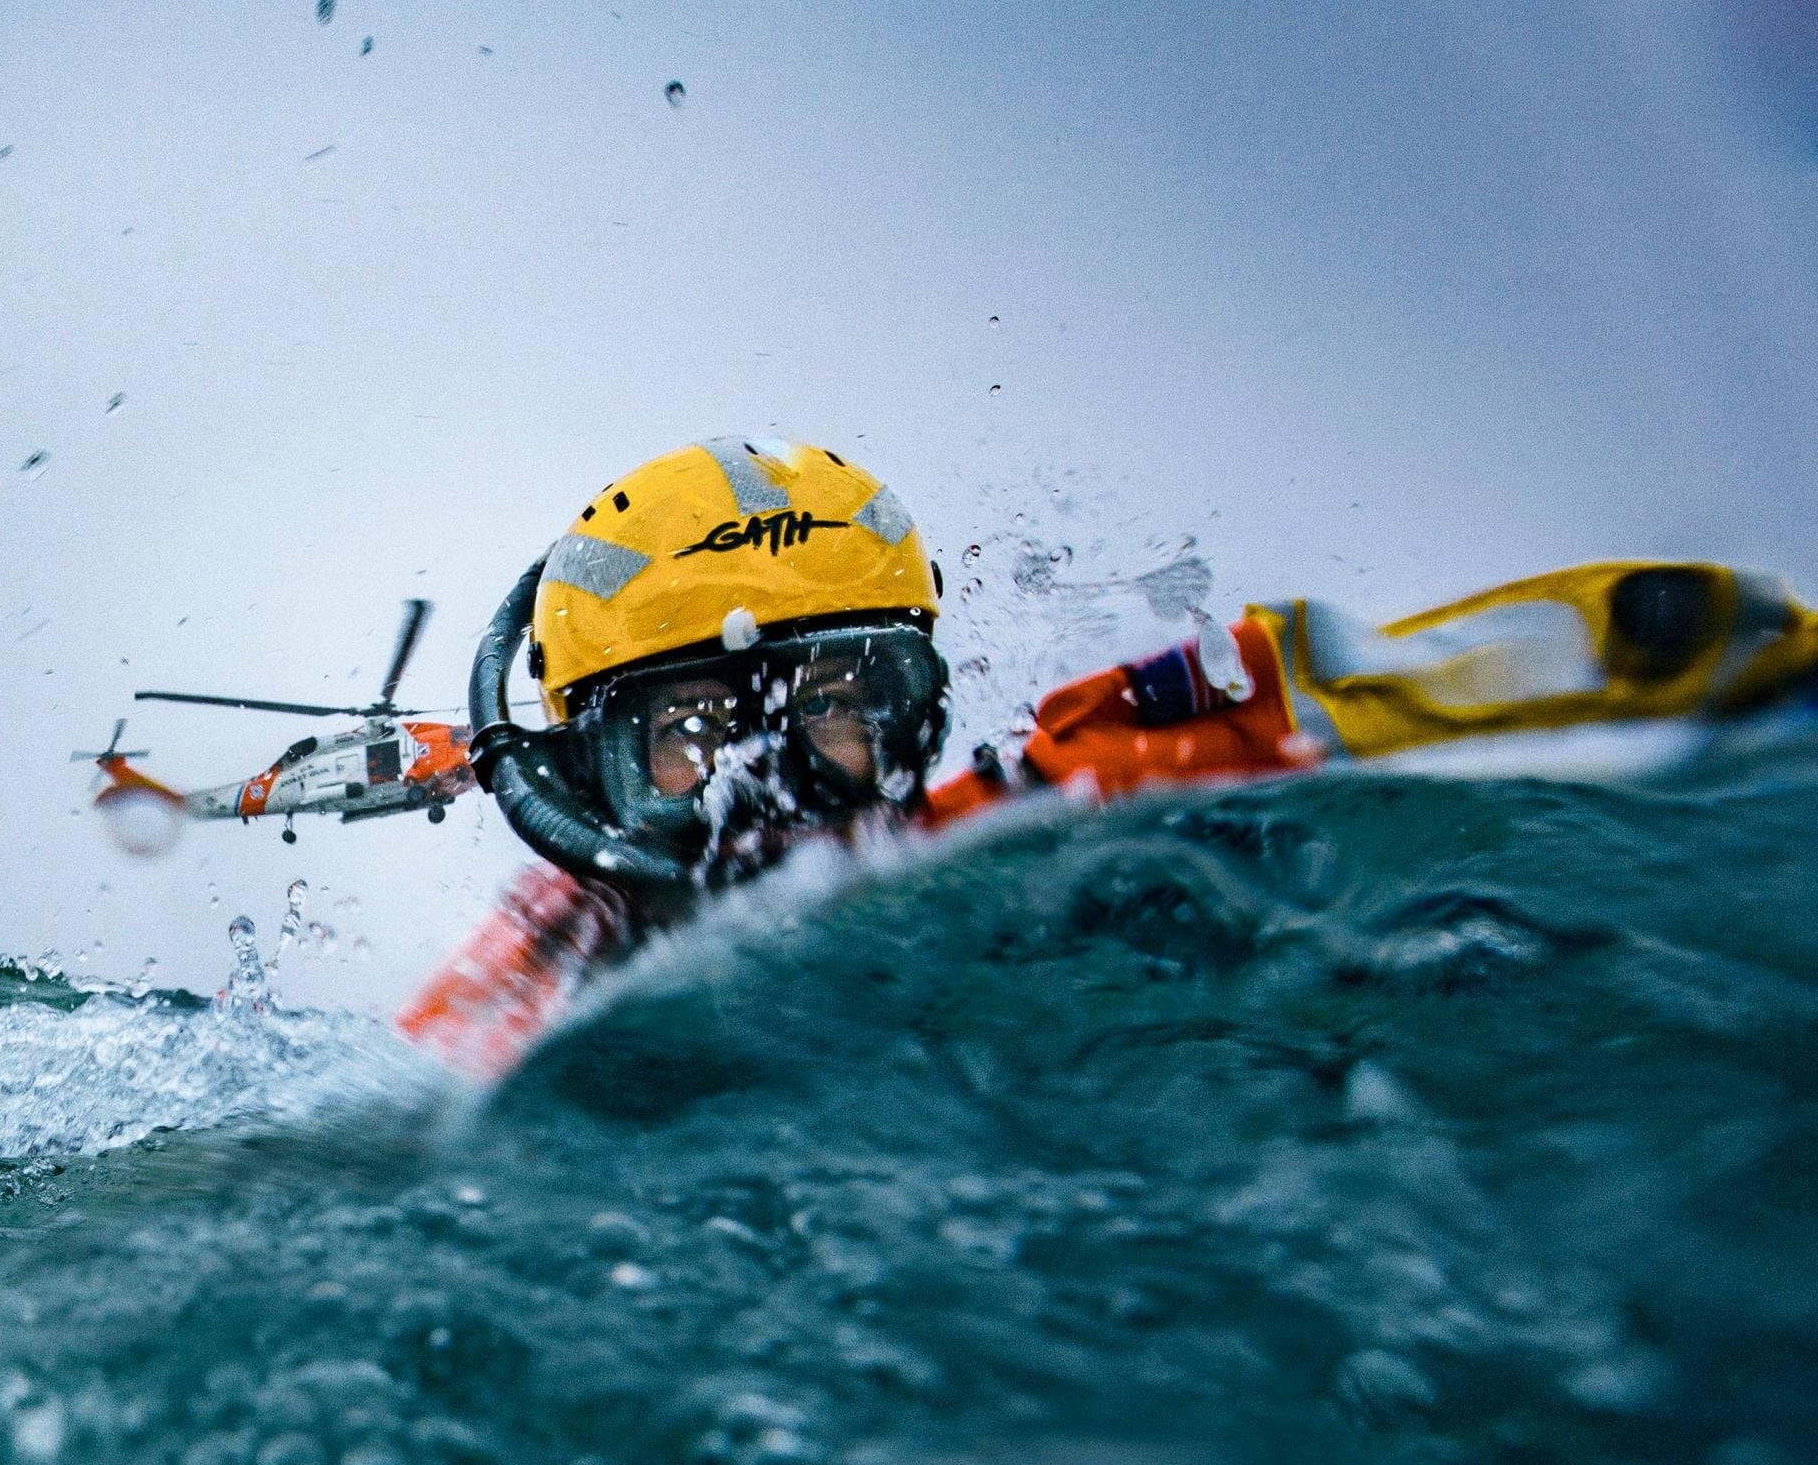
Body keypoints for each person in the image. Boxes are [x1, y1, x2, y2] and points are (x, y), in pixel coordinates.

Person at [397, 437, 1818, 1074]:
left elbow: (1358, 683)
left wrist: (1714, 642)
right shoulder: (539, 982)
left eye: (839, 703)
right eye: (698, 731)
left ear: (922, 712)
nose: (778, 777)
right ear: (586, 764)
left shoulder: (1035, 804)